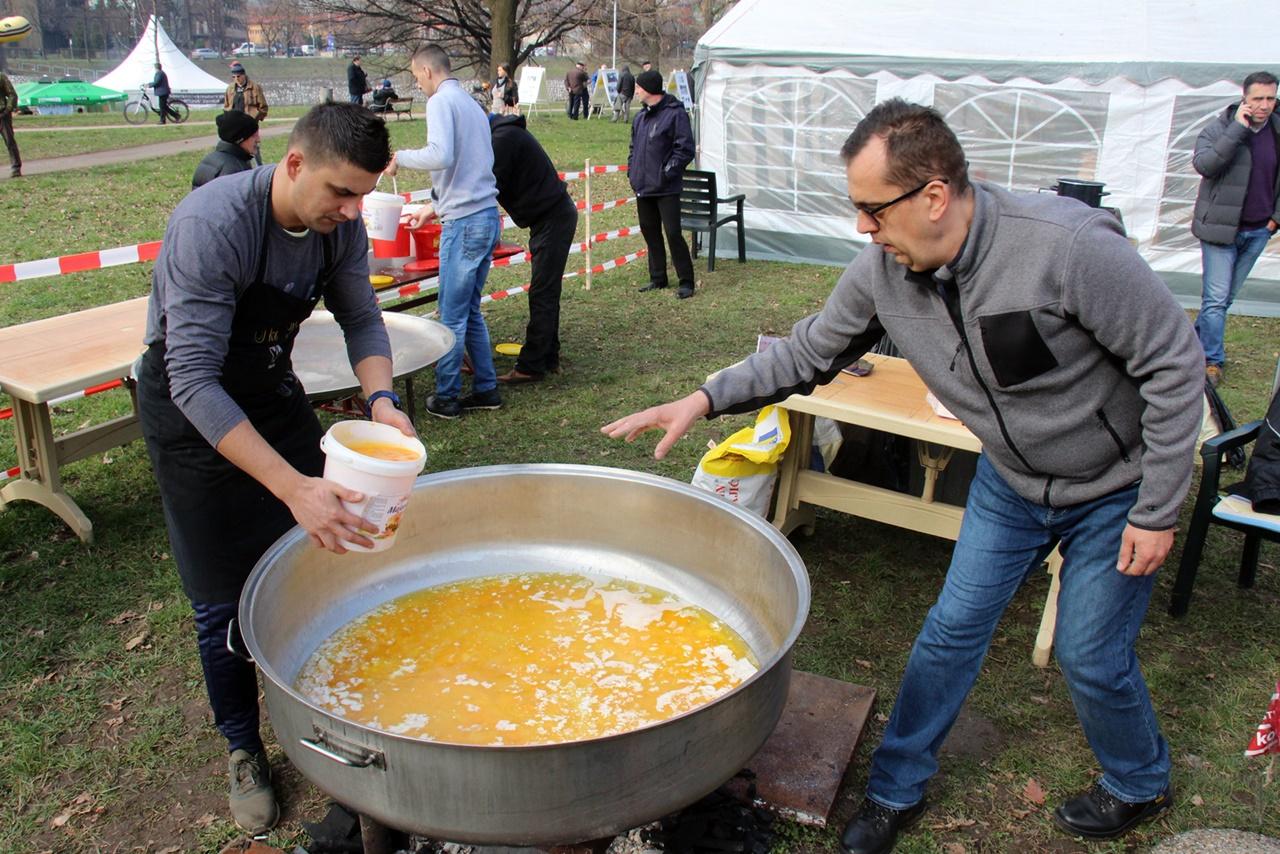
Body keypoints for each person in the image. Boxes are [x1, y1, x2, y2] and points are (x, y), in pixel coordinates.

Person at [602, 99, 1204, 853]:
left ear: (934, 196)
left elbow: (1173, 365)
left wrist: (1156, 508)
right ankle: (894, 791)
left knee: (1090, 653)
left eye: (871, 210)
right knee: (950, 632)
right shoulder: (885, 270)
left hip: (1116, 487)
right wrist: (703, 397)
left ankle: (1138, 780)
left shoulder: (1067, 247)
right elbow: (807, 352)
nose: (863, 230)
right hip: (1011, 482)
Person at [137, 102, 415, 834]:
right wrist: (293, 489)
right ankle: (242, 747)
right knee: (222, 603)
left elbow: (360, 316)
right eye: (340, 193)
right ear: (293, 165)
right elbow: (194, 378)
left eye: (363, 193)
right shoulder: (213, 225)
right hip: (191, 414)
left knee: (326, 558)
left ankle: (344, 713)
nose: (354, 211)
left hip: (269, 392)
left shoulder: (337, 230)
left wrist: (382, 400)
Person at [386, 44, 502, 419]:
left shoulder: (439, 103)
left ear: (426, 71)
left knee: (451, 314)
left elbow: (441, 155)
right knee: (470, 310)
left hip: (466, 223)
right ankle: (486, 388)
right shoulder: (472, 104)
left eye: (416, 76)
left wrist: (399, 158)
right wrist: (433, 208)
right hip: (485, 215)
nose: (417, 84)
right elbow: (470, 166)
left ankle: (447, 396)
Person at [1191, 70, 1280, 388]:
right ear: (1244, 98)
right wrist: (1238, 130)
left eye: (1270, 98)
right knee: (1215, 299)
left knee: (1223, 299)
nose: (1264, 105)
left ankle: (1187, 342)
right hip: (1219, 229)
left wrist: (1275, 219)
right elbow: (1206, 165)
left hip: (1258, 229)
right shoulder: (1218, 129)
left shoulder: (1278, 129)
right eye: (1258, 99)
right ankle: (1211, 361)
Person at [489, 112, 577, 384]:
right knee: (546, 291)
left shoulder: (502, 139)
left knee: (542, 292)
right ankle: (548, 356)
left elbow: (485, 185)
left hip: (553, 218)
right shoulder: (503, 134)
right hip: (548, 218)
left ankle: (531, 366)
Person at [629, 69, 696, 299]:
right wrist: (632, 172)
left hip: (666, 188)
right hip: (643, 187)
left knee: (673, 233)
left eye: (638, 87)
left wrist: (667, 172)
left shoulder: (675, 114)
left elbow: (685, 148)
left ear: (648, 89)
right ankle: (658, 277)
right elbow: (633, 149)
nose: (635, 90)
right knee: (650, 232)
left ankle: (686, 281)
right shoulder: (640, 117)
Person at [192, 111, 260, 189]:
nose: (258, 140)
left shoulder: (211, 158)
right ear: (240, 139)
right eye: (254, 136)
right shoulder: (234, 170)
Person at [225, 62, 268, 166]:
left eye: (238, 76)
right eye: (233, 77)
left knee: (253, 147)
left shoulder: (255, 87)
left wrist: (254, 119)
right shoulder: (230, 89)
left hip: (249, 123)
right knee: (235, 147)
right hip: (235, 124)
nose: (236, 79)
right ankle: (241, 167)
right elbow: (227, 106)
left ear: (244, 75)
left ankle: (258, 168)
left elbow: (263, 107)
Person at [0, 70, 20, 178]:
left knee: (9, 142)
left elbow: (12, 94)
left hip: (2, 115)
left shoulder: (1, 77)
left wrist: (7, 110)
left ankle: (16, 168)